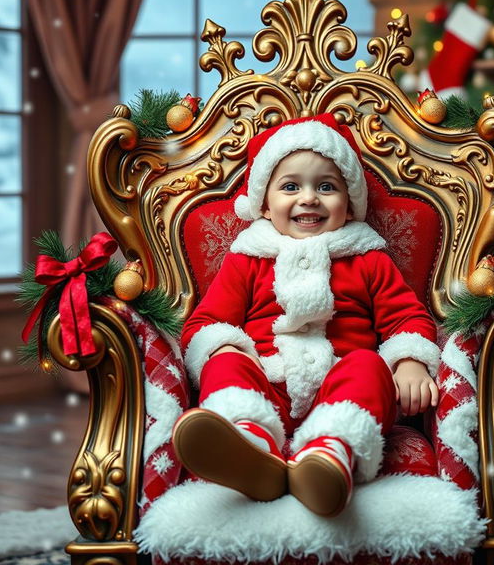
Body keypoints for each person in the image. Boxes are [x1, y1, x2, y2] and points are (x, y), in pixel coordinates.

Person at [173, 113, 440, 517]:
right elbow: (205, 325)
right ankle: (248, 446)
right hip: (267, 384)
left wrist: (410, 361)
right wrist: (228, 351)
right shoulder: (248, 258)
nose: (309, 198)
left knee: (369, 366)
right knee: (224, 360)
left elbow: (407, 318)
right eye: (291, 186)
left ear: (349, 205)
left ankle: (330, 455)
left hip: (341, 384)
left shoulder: (368, 257)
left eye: (327, 187)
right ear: (264, 204)